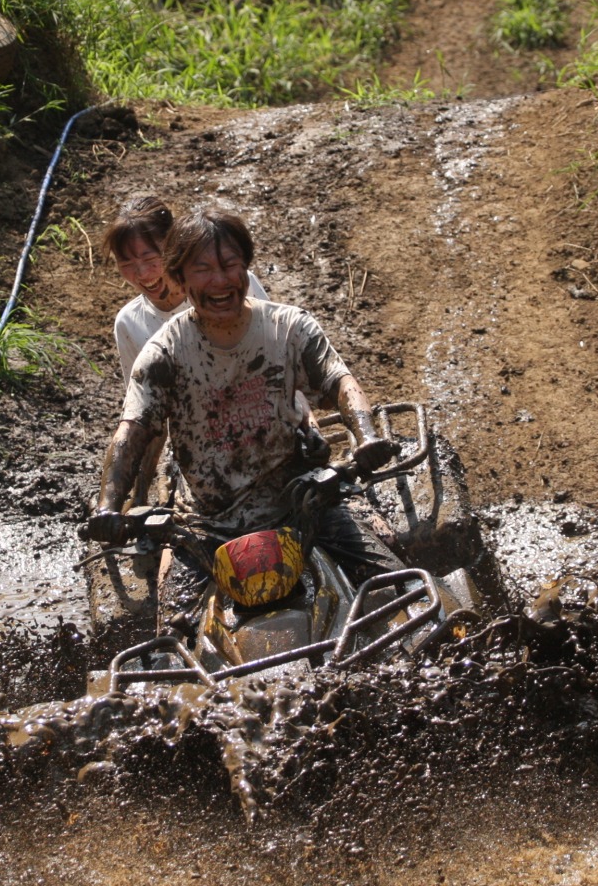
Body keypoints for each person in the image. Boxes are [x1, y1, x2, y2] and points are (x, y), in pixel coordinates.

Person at [91, 209, 402, 621]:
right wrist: (109, 505)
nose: (220, 281)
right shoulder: (163, 353)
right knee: (175, 632)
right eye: (203, 270)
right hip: (205, 524)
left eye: (229, 265)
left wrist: (366, 436)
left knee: (400, 593)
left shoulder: (289, 327)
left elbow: (338, 380)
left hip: (303, 501)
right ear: (180, 279)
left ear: (245, 268)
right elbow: (133, 430)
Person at [102, 195, 267, 386]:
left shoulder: (231, 287)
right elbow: (139, 394)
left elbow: (277, 352)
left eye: (150, 259)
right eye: (126, 264)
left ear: (173, 247)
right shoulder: (129, 323)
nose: (143, 274)